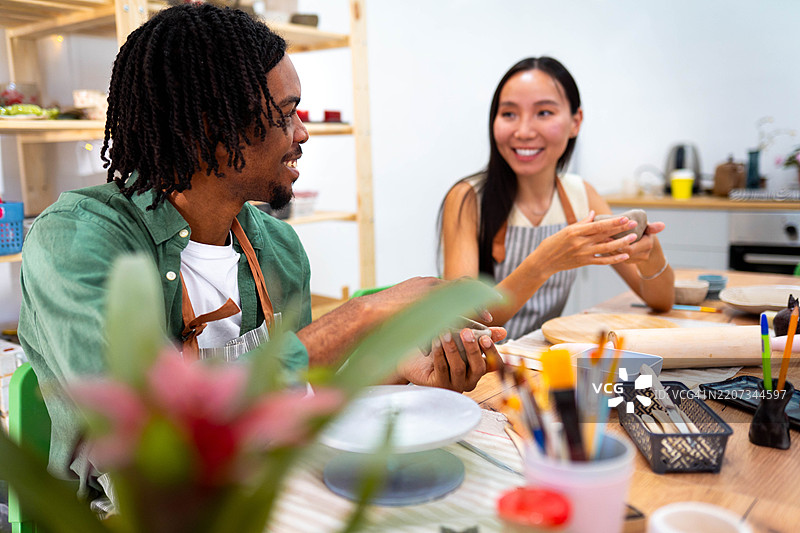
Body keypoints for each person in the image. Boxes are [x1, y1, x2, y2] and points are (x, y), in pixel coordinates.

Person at [17, 4, 504, 498]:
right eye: (287, 113)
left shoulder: (278, 247)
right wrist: (360, 314)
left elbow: (293, 396)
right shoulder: (77, 241)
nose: (302, 133)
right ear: (212, 125)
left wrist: (403, 371)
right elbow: (155, 439)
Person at [440, 57, 673, 340]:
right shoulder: (467, 198)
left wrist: (650, 253)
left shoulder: (581, 195)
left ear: (575, 122)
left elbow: (661, 301)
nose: (523, 131)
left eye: (544, 113)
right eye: (509, 114)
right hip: (481, 374)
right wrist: (543, 262)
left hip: (539, 363)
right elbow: (462, 322)